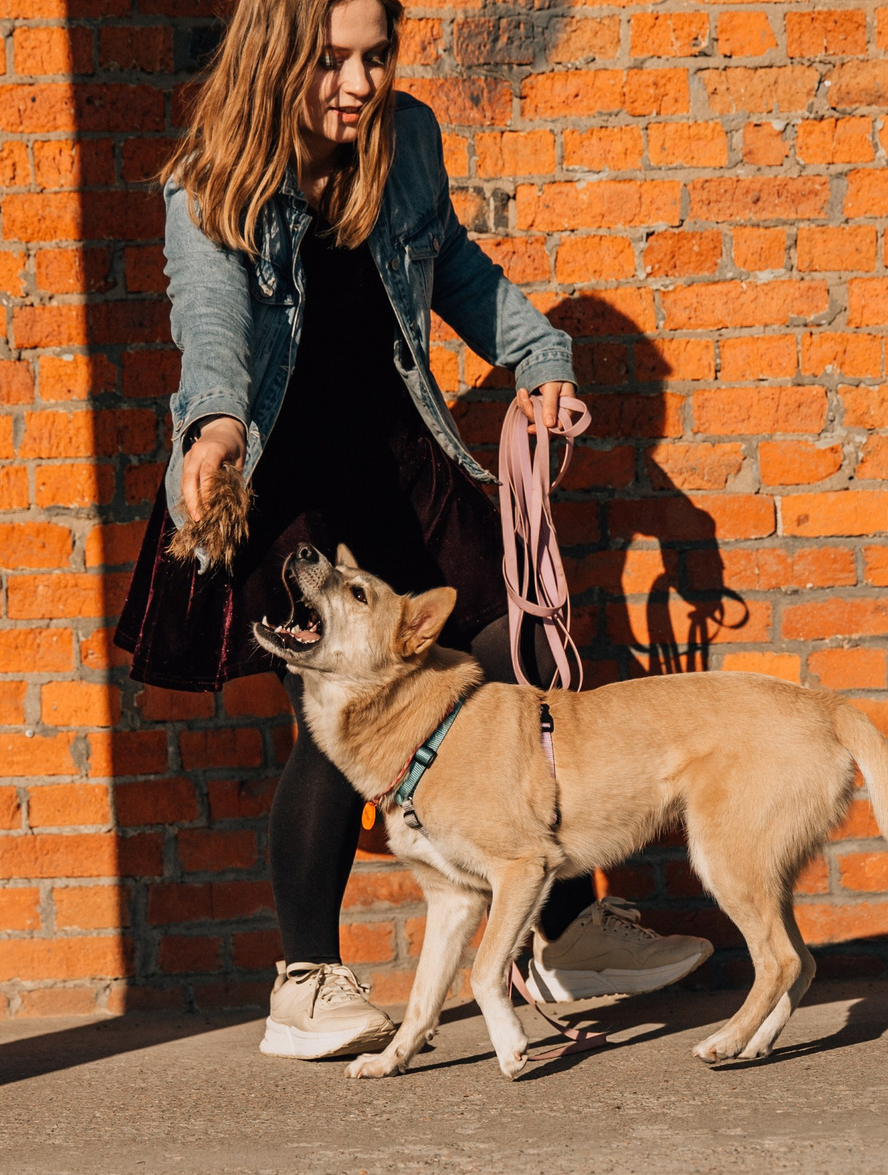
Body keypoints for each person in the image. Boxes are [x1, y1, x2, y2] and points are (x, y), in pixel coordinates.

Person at [117, 0, 710, 1061]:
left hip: (398, 450)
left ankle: (556, 926)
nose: (357, 84)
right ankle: (305, 976)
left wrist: (540, 361)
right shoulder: (210, 181)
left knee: (504, 648)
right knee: (344, 702)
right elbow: (209, 327)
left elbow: (462, 275)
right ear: (274, 58)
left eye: (374, 57)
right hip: (283, 468)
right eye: (329, 62)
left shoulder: (408, 141)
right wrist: (208, 431)